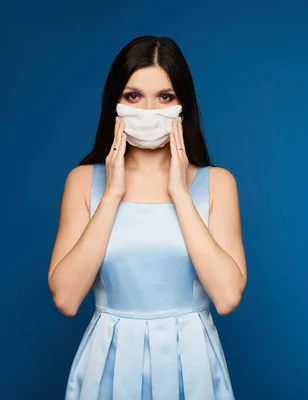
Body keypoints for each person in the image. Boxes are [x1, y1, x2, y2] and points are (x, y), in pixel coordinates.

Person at [48, 36, 246, 399]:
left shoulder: (217, 183)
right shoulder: (83, 182)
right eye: (134, 96)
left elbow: (228, 297)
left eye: (165, 97)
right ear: (116, 104)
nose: (149, 110)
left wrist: (180, 196)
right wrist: (112, 195)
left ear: (182, 105)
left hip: (191, 363)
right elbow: (66, 298)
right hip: (108, 362)